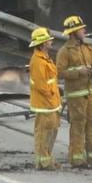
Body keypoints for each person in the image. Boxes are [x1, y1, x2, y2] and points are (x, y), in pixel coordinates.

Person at [55, 14, 92, 169]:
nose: (85, 31)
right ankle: (77, 159)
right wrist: (78, 71)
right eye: (81, 29)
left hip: (91, 95)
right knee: (78, 127)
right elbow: (59, 72)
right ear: (73, 32)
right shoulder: (64, 52)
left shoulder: (89, 48)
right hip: (76, 97)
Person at [28, 26, 61, 170]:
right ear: (42, 44)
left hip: (51, 102)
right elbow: (41, 85)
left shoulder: (45, 58)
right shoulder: (37, 61)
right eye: (48, 41)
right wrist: (50, 97)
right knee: (43, 132)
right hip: (44, 103)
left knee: (52, 130)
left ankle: (47, 158)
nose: (51, 42)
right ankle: (43, 162)